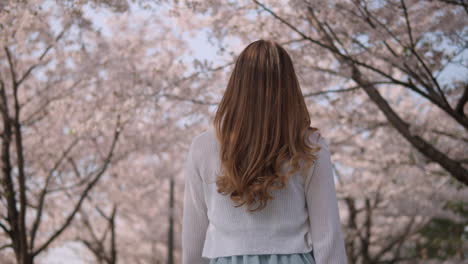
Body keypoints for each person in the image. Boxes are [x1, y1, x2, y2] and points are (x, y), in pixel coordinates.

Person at [181, 39, 348, 264]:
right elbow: (328, 236)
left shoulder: (202, 146)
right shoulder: (309, 144)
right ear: (289, 86)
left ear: (237, 85)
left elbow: (193, 238)